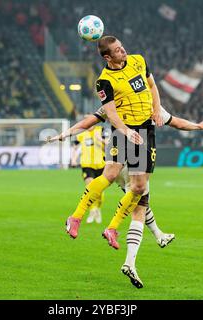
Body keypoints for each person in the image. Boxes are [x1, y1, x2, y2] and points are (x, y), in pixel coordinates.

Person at [48, 105, 203, 288]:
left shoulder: (115, 100)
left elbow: (90, 121)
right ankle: (129, 261)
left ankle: (158, 235)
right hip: (137, 156)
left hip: (116, 157)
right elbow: (176, 123)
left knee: (139, 200)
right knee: (138, 208)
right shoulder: (149, 103)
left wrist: (66, 134)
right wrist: (198, 126)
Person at [65, 35, 166, 250]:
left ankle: (112, 228)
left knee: (139, 187)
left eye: (122, 47)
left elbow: (152, 86)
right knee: (109, 174)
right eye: (118, 50)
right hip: (125, 131)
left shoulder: (138, 60)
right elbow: (110, 113)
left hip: (144, 130)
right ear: (108, 57)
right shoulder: (104, 81)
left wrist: (157, 109)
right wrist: (126, 132)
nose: (123, 51)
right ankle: (76, 217)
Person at [72, 124, 108, 223]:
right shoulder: (81, 133)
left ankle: (97, 209)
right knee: (90, 187)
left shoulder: (101, 130)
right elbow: (75, 147)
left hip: (101, 164)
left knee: (99, 191)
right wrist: (74, 159)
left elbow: (110, 144)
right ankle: (92, 211)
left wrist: (100, 139)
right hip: (87, 164)